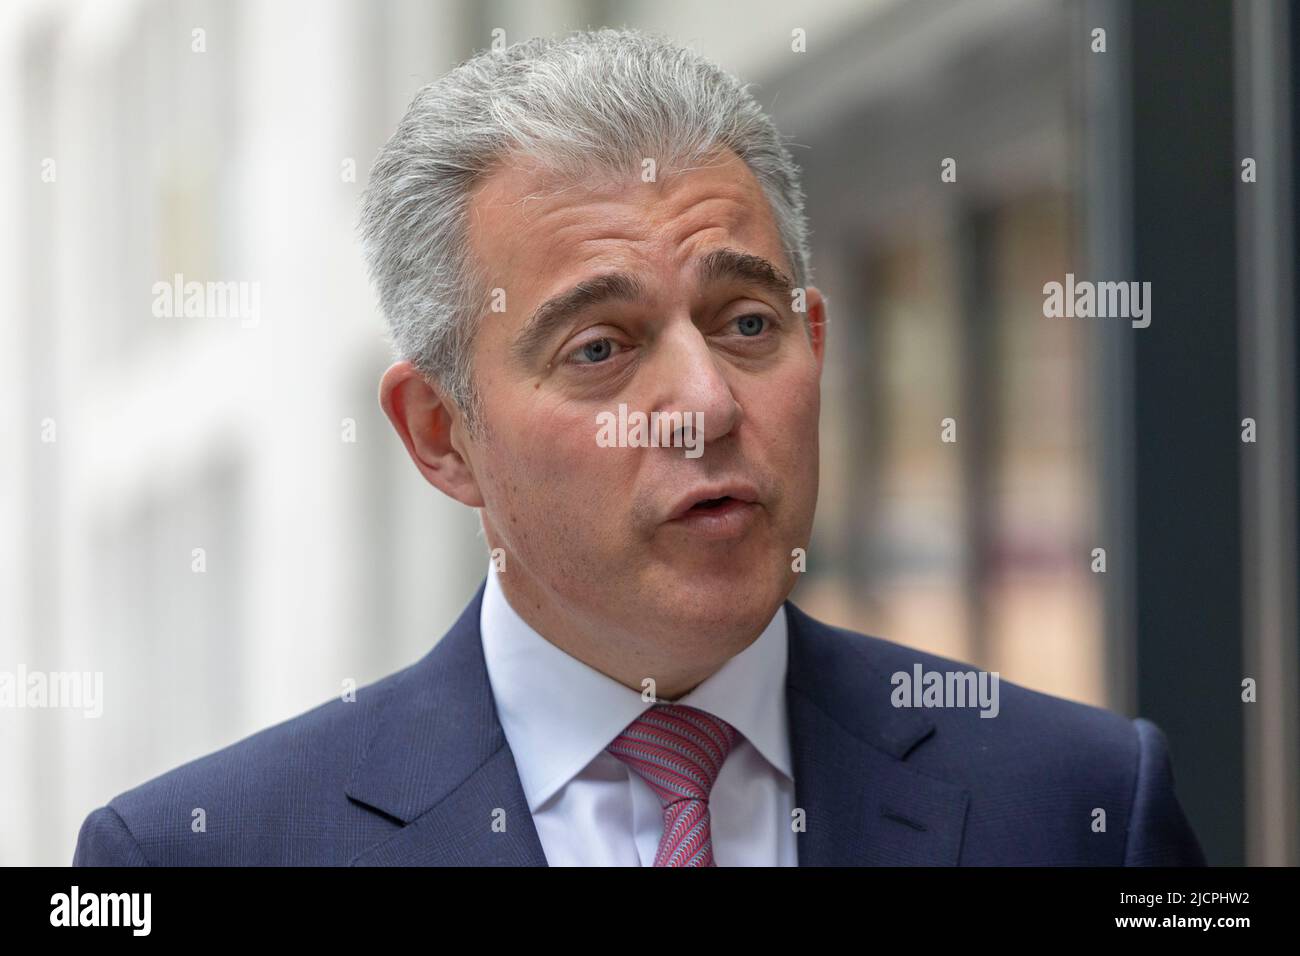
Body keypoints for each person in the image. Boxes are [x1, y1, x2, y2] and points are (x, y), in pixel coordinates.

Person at [73, 27, 1205, 867]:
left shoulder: (1079, 804)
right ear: (441, 433)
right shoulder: (196, 853)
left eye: (747, 323)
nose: (704, 403)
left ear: (814, 344)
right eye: (602, 346)